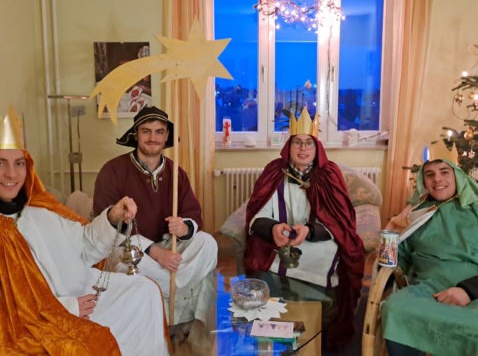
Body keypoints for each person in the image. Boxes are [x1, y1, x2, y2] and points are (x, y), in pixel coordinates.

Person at [0, 105, 170, 355]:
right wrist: (65, 308)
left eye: (18, 163)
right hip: (50, 313)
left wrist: (112, 218)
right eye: (1, 163)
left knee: (145, 291)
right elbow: (8, 306)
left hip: (85, 288)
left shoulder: (41, 208)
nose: (11, 174)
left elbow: (84, 246)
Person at [244, 107, 365, 351]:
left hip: (317, 240)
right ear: (288, 146)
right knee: (260, 247)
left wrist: (309, 231)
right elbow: (258, 212)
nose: (303, 148)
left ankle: (316, 315)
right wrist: (274, 228)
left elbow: (339, 221)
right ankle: (274, 319)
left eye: (308, 143)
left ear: (317, 147)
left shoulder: (329, 174)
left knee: (331, 251)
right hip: (281, 238)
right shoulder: (274, 171)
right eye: (297, 142)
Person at [93, 106, 218, 324]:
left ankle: (169, 297)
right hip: (131, 250)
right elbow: (106, 227)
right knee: (126, 266)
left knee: (208, 243)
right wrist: (154, 251)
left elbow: (194, 214)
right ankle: (177, 305)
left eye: (159, 132)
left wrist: (184, 227)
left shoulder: (176, 173)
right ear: (135, 134)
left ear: (166, 136)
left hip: (170, 245)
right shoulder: (112, 171)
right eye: (146, 131)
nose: (153, 138)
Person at [382, 143, 478, 356]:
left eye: (444, 172)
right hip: (429, 289)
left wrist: (469, 290)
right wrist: (389, 245)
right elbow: (400, 260)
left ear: (458, 175)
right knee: (395, 309)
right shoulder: (417, 215)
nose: (437, 179)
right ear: (423, 182)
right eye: (430, 174)